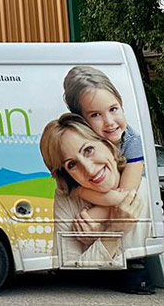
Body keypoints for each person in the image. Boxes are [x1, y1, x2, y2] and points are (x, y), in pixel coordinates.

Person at [39, 114, 148, 267]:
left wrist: (99, 238)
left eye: (88, 150)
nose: (89, 170)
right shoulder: (68, 199)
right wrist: (112, 233)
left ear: (108, 144)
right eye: (72, 164)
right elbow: (67, 274)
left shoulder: (146, 192)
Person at [62, 66, 145, 214]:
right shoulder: (76, 148)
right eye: (95, 115)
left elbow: (124, 198)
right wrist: (80, 192)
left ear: (121, 104)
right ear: (81, 120)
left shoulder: (132, 143)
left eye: (113, 109)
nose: (109, 122)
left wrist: (94, 216)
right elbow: (71, 188)